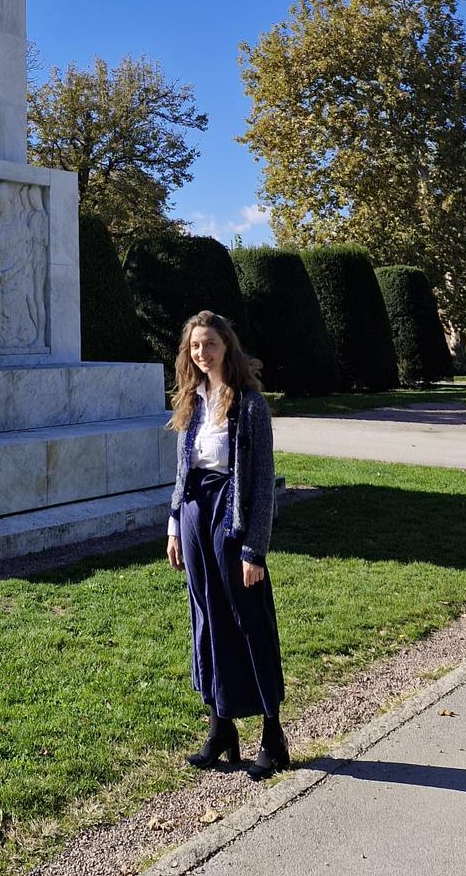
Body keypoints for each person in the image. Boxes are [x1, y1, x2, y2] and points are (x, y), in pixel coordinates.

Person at [166, 310, 289, 780]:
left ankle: (273, 736)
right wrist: (174, 525)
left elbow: (261, 484)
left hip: (230, 516)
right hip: (194, 514)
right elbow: (183, 472)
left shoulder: (250, 405)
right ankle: (220, 729)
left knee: (248, 619)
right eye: (196, 346)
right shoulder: (191, 400)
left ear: (226, 347)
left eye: (210, 344)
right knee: (206, 617)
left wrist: (254, 550)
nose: (203, 353)